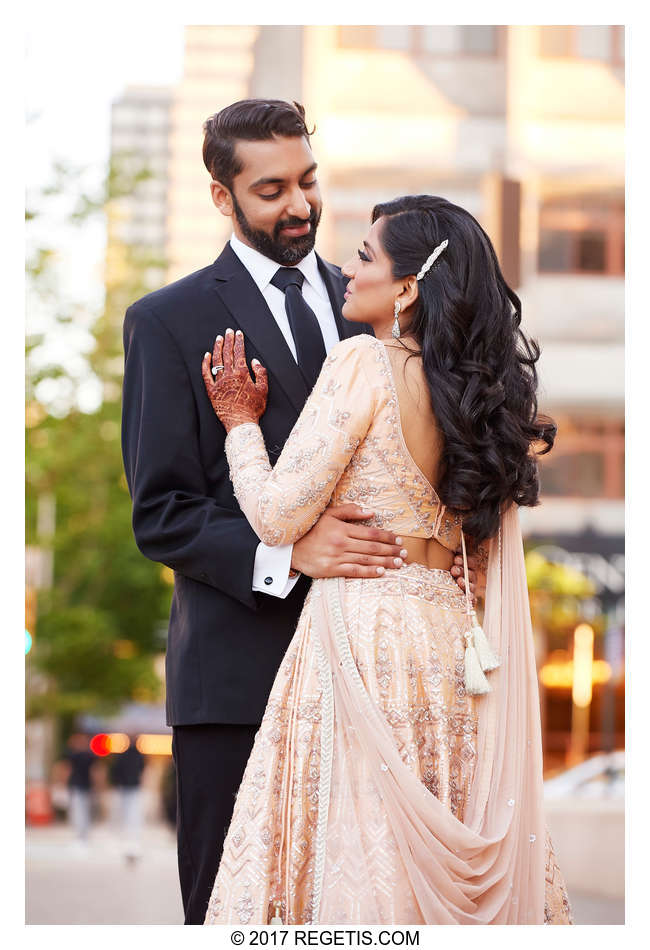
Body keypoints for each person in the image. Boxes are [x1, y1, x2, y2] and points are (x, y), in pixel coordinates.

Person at [121, 99, 476, 924]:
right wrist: (289, 555)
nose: (302, 206)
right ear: (223, 196)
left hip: (383, 681)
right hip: (239, 680)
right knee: (237, 914)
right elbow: (162, 512)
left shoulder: (376, 304)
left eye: (310, 181)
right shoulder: (167, 322)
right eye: (273, 188)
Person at [201, 195, 574, 925]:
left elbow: (277, 514)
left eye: (365, 256)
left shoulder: (364, 363)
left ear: (407, 287)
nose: (346, 266)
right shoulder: (481, 397)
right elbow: (481, 551)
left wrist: (242, 424)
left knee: (362, 847)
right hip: (450, 650)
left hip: (364, 635)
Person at [110, 737, 145, 864]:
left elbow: (116, 770)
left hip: (124, 786)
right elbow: (141, 770)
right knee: (133, 813)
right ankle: (131, 835)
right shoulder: (139, 756)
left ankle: (126, 835)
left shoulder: (122, 755)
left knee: (125, 813)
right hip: (133, 786)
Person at [63, 732, 95, 848]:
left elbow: (94, 771)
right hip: (76, 785)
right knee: (77, 810)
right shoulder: (73, 755)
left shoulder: (88, 755)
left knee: (83, 810)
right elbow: (67, 769)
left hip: (85, 786)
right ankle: (79, 833)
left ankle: (83, 833)